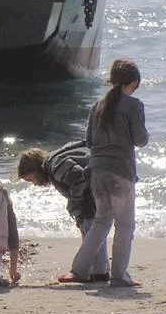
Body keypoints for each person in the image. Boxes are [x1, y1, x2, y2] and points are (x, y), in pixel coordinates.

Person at [61, 58, 148, 287]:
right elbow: (140, 140)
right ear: (134, 82)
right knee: (125, 226)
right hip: (120, 172)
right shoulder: (134, 105)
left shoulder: (97, 106)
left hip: (97, 171)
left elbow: (89, 141)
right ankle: (119, 275)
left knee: (101, 222)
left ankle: (78, 270)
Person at [17, 140, 109, 282]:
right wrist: (78, 215)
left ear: (36, 169)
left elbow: (80, 181)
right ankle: (99, 271)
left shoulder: (56, 166)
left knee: (91, 228)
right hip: (107, 179)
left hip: (99, 187)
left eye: (31, 179)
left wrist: (75, 208)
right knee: (94, 230)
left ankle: (94, 272)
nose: (34, 184)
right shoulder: (57, 159)